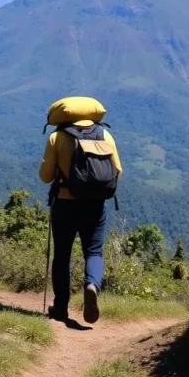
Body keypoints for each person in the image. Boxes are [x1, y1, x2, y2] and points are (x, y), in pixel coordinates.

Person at [39, 115, 122, 324]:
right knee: (94, 252)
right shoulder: (105, 135)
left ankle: (60, 308)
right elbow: (117, 171)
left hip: (65, 204)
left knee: (62, 255)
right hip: (95, 205)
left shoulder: (57, 137)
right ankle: (92, 285)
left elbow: (45, 176)